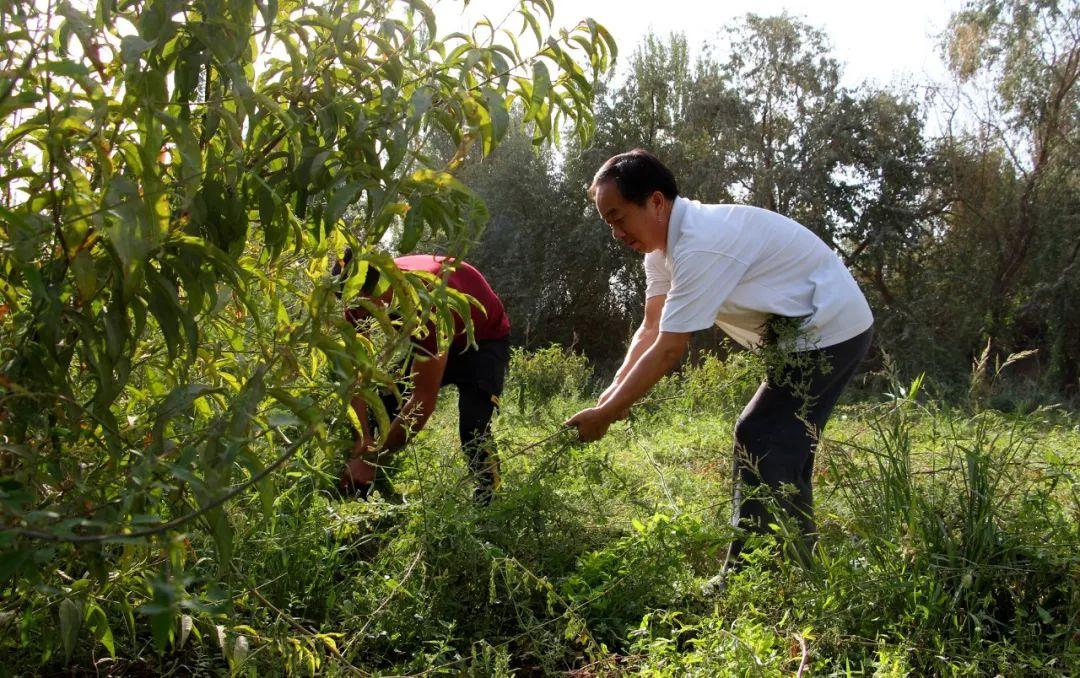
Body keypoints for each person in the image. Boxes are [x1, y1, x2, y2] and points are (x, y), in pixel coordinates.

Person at [566, 149, 874, 568]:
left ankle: (749, 572)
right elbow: (650, 329)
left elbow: (671, 348)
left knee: (761, 435)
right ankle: (800, 567)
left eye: (618, 218)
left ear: (656, 202)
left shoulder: (699, 245)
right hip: (804, 337)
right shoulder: (659, 253)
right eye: (609, 223)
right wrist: (610, 397)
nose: (616, 232)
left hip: (830, 327)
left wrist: (608, 414)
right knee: (781, 447)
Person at [335, 252, 511, 504]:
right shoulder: (355, 302)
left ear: (381, 290)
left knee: (474, 426)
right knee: (386, 405)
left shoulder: (425, 302)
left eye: (362, 307)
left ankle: (490, 499)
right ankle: (371, 482)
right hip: (440, 335)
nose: (358, 316)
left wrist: (371, 458)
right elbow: (357, 378)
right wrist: (363, 438)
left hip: (484, 340)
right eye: (348, 303)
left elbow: (422, 399)